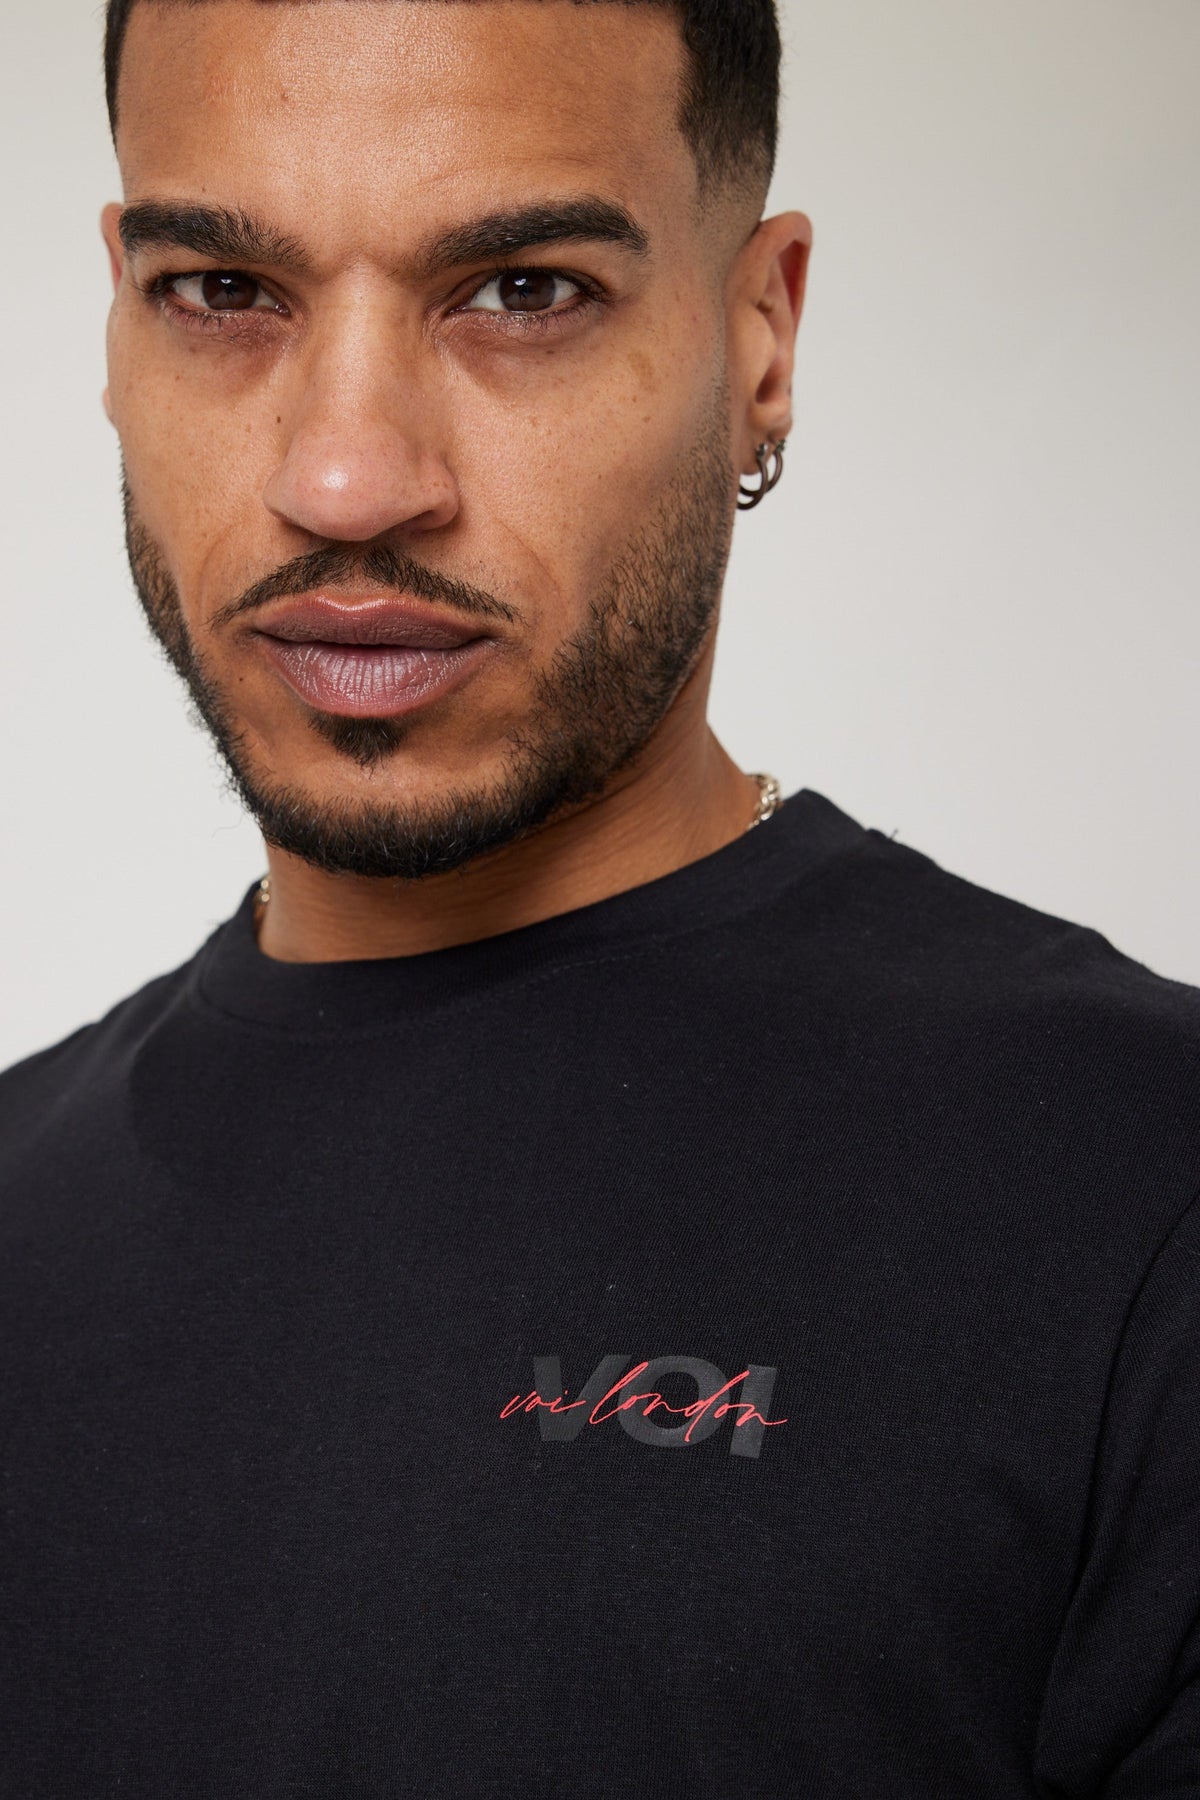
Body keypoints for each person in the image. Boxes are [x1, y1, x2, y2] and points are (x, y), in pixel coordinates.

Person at [1, 1, 1197, 1794]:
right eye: (224, 291)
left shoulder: (1143, 1192)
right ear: (117, 317)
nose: (346, 479)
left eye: (523, 290)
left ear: (761, 333)